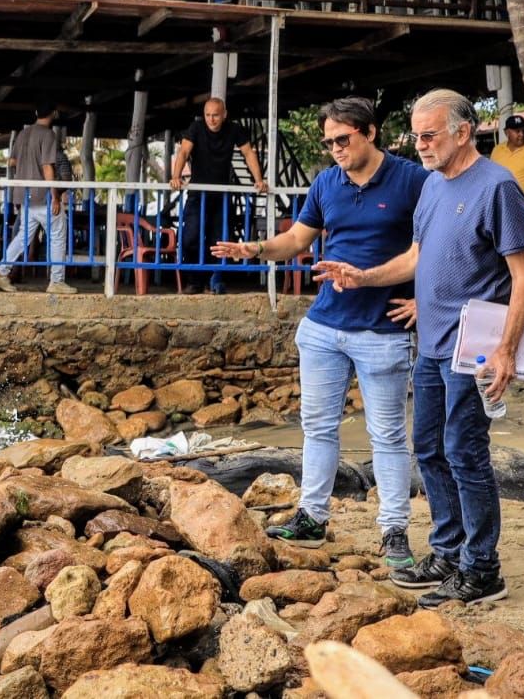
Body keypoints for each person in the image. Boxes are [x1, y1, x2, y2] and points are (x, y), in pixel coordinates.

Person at [313, 88, 524, 608]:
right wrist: (364, 275)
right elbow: (416, 257)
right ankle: (449, 549)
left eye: (429, 134)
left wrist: (506, 349)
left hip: (473, 347)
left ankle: (483, 569)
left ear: (464, 132)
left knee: (465, 451)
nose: (419, 145)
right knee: (430, 449)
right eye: (415, 135)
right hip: (431, 344)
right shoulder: (433, 186)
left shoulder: (498, 186)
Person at [211, 97, 428, 569]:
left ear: (370, 133)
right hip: (324, 327)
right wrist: (254, 248)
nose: (335, 149)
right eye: (328, 141)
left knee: (388, 436)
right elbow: (297, 240)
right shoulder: (327, 182)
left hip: (383, 331)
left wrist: (426, 302)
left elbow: (434, 247)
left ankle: (394, 530)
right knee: (316, 428)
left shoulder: (413, 179)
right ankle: (312, 516)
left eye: (343, 139)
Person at [170, 97, 268, 294]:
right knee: (190, 237)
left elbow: (249, 153)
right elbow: (183, 152)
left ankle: (212, 281)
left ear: (224, 115)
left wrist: (259, 180)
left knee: (220, 240)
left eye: (215, 115)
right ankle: (194, 281)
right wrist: (175, 177)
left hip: (222, 195)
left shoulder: (234, 129)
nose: (211, 119)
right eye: (207, 115)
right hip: (198, 194)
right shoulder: (196, 128)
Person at [0, 101, 77, 295]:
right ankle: (56, 281)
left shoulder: (23, 133)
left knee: (22, 237)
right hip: (42, 195)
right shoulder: (48, 135)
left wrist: (27, 167)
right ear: (53, 113)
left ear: (36, 112)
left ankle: (1, 273)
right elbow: (47, 166)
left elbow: (12, 161)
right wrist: (54, 196)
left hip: (24, 196)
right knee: (57, 235)